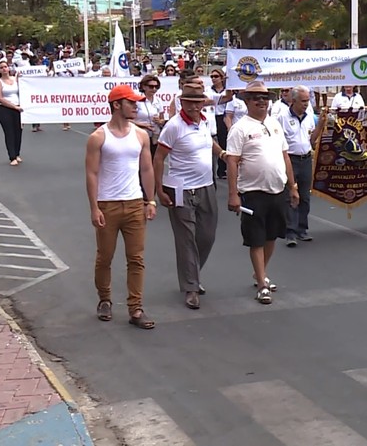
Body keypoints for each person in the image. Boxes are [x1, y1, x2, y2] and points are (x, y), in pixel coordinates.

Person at [85, 85, 158, 329]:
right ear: (117, 105)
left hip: (135, 203)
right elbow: (92, 173)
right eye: (132, 103)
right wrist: (94, 207)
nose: (136, 106)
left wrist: (151, 199)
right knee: (105, 257)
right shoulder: (99, 137)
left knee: (136, 258)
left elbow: (146, 169)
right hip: (108, 204)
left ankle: (135, 308)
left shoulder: (140, 135)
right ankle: (104, 299)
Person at [225, 81, 299, 305]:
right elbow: (232, 161)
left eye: (265, 98)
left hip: (277, 190)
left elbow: (285, 156)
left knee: (271, 236)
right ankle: (262, 284)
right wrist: (233, 194)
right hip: (253, 192)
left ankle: (260, 273)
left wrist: (293, 186)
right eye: (255, 97)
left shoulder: (275, 124)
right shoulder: (240, 128)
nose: (261, 101)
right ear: (247, 101)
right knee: (256, 238)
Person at [153, 81, 224, 310]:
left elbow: (209, 141)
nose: (194, 107)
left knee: (207, 235)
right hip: (179, 187)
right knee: (186, 239)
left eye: (198, 103)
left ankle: (192, 273)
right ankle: (191, 287)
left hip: (205, 186)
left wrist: (222, 153)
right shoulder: (174, 126)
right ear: (182, 102)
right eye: (189, 103)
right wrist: (158, 190)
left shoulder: (204, 122)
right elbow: (158, 158)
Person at [277, 85, 324, 246]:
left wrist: (320, 126)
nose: (306, 104)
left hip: (305, 159)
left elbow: (312, 141)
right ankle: (290, 231)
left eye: (308, 100)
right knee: (291, 194)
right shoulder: (282, 117)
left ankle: (302, 229)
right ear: (294, 100)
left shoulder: (309, 116)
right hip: (290, 159)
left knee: (305, 196)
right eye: (303, 101)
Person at [0, 61, 24, 166]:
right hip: (5, 109)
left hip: (18, 108)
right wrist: (13, 106)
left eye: (5, 67)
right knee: (9, 133)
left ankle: (17, 153)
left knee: (18, 131)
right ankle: (12, 156)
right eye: (1, 67)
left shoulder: (15, 79)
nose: (4, 69)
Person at [208, 68, 235, 179]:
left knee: (223, 142)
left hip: (223, 116)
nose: (214, 79)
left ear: (221, 78)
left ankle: (222, 169)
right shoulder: (209, 90)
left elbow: (228, 98)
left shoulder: (226, 91)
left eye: (216, 76)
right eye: (212, 76)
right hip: (212, 116)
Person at [134, 74, 166, 156]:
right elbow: (127, 119)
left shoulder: (158, 101)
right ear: (144, 87)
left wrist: (160, 121)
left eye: (156, 87)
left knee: (153, 160)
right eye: (151, 86)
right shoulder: (136, 100)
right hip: (140, 135)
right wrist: (142, 125)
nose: (154, 89)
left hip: (155, 136)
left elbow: (162, 119)